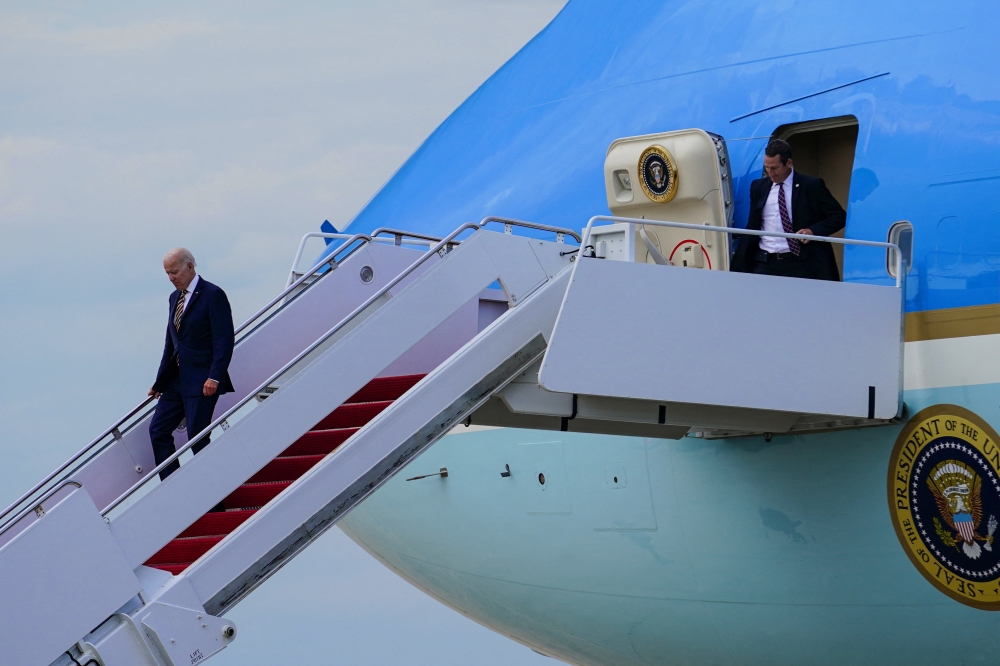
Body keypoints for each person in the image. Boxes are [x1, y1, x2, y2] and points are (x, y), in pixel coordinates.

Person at [148, 248, 235, 489]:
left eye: (174, 272)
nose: (171, 278)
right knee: (158, 430)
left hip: (203, 381)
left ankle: (213, 495)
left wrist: (215, 377)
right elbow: (171, 342)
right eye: (167, 273)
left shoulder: (213, 295)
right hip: (176, 381)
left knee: (197, 439)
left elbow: (224, 340)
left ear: (189, 266)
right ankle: (175, 486)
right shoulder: (173, 298)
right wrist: (159, 382)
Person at [730, 139, 846, 280]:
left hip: (799, 263)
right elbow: (754, 222)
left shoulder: (811, 186)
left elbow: (838, 216)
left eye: (775, 168)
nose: (770, 173)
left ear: (789, 163)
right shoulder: (758, 187)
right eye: (767, 167)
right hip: (764, 263)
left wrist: (813, 231)